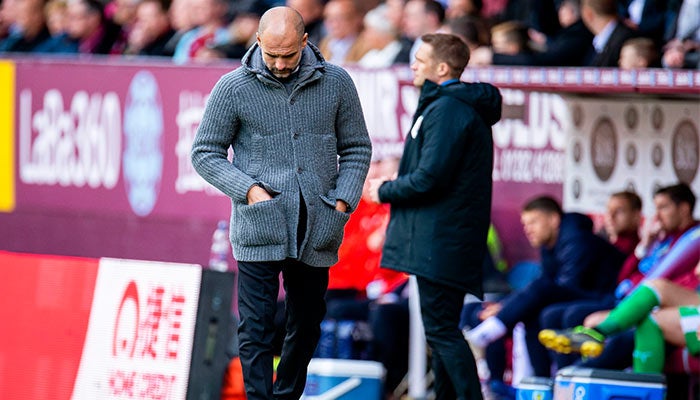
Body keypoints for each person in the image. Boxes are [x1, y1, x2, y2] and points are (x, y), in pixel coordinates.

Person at [190, 6, 372, 399]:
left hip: (318, 226)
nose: (278, 63)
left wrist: (341, 204)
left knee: (306, 324)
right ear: (258, 42)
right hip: (259, 224)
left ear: (306, 42)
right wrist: (250, 191)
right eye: (271, 54)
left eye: (288, 54)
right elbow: (205, 152)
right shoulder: (233, 87)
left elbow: (357, 148)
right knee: (255, 328)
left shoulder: (336, 83)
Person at [369, 32, 503, 400]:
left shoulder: (446, 110)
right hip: (445, 239)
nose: (412, 65)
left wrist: (384, 189)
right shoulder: (446, 106)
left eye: (420, 59)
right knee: (441, 331)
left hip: (441, 241)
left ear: (442, 67)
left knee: (442, 331)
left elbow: (430, 178)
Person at [465, 196, 626, 377]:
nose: (528, 230)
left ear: (553, 219)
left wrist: (507, 308)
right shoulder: (549, 243)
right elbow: (551, 284)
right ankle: (534, 382)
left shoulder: (577, 238)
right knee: (483, 309)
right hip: (581, 296)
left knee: (542, 298)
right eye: (525, 224)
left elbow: (565, 286)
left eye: (533, 222)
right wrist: (505, 306)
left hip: (610, 297)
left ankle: (489, 333)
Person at [539, 233, 699, 373]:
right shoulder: (666, 239)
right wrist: (643, 246)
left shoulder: (691, 235)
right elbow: (624, 278)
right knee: (658, 286)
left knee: (650, 321)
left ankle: (592, 347)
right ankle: (596, 334)